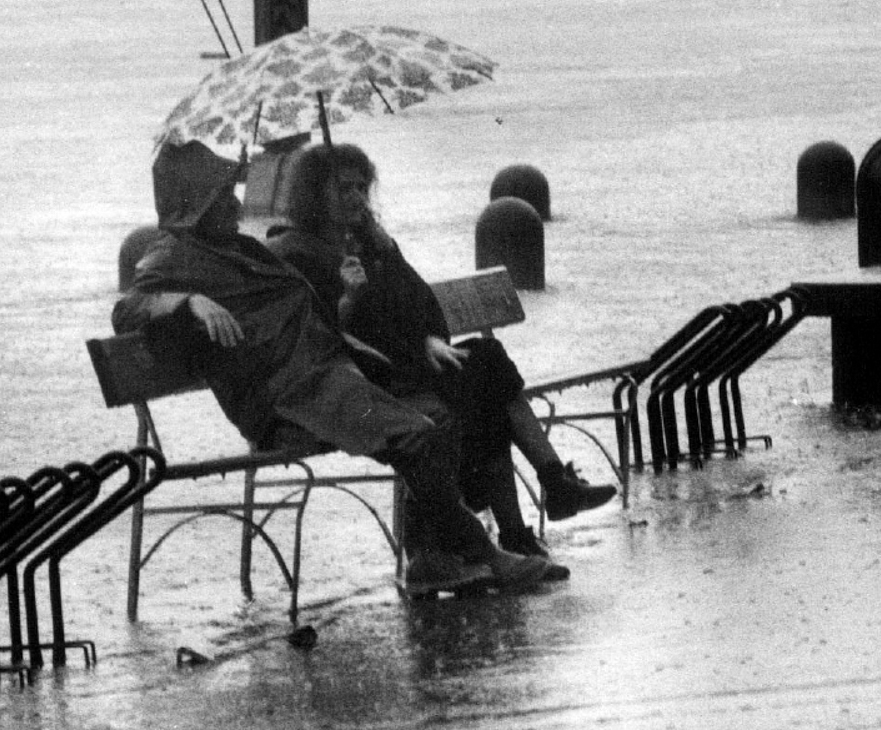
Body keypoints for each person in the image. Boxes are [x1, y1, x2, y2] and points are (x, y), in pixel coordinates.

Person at [113, 139, 552, 595]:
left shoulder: (240, 248)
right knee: (418, 434)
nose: (236, 205)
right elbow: (128, 310)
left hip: (323, 375)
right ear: (195, 207)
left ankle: (433, 559)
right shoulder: (172, 257)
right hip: (285, 399)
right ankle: (481, 555)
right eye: (223, 198)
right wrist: (189, 301)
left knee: (436, 420)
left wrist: (359, 281)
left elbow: (321, 307)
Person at [265, 143, 616, 575]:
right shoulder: (293, 253)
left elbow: (420, 300)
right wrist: (347, 298)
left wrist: (428, 336)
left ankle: (540, 502)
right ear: (315, 193)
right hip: (364, 382)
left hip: (405, 364)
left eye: (361, 187)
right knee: (483, 378)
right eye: (344, 188)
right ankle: (529, 515)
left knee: (484, 364)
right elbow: (317, 339)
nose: (357, 197)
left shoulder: (367, 242)